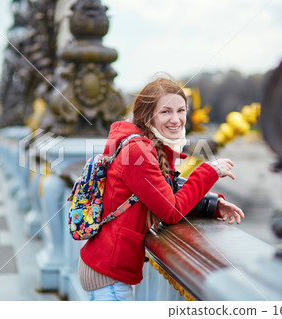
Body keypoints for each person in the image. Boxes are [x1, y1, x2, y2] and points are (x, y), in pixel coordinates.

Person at [78, 76, 244, 301]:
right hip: (109, 275)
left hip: (107, 267)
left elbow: (165, 189)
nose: (176, 119)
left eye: (181, 110)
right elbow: (171, 211)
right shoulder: (137, 151)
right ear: (148, 116)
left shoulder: (144, 145)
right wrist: (210, 171)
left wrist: (213, 205)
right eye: (165, 112)